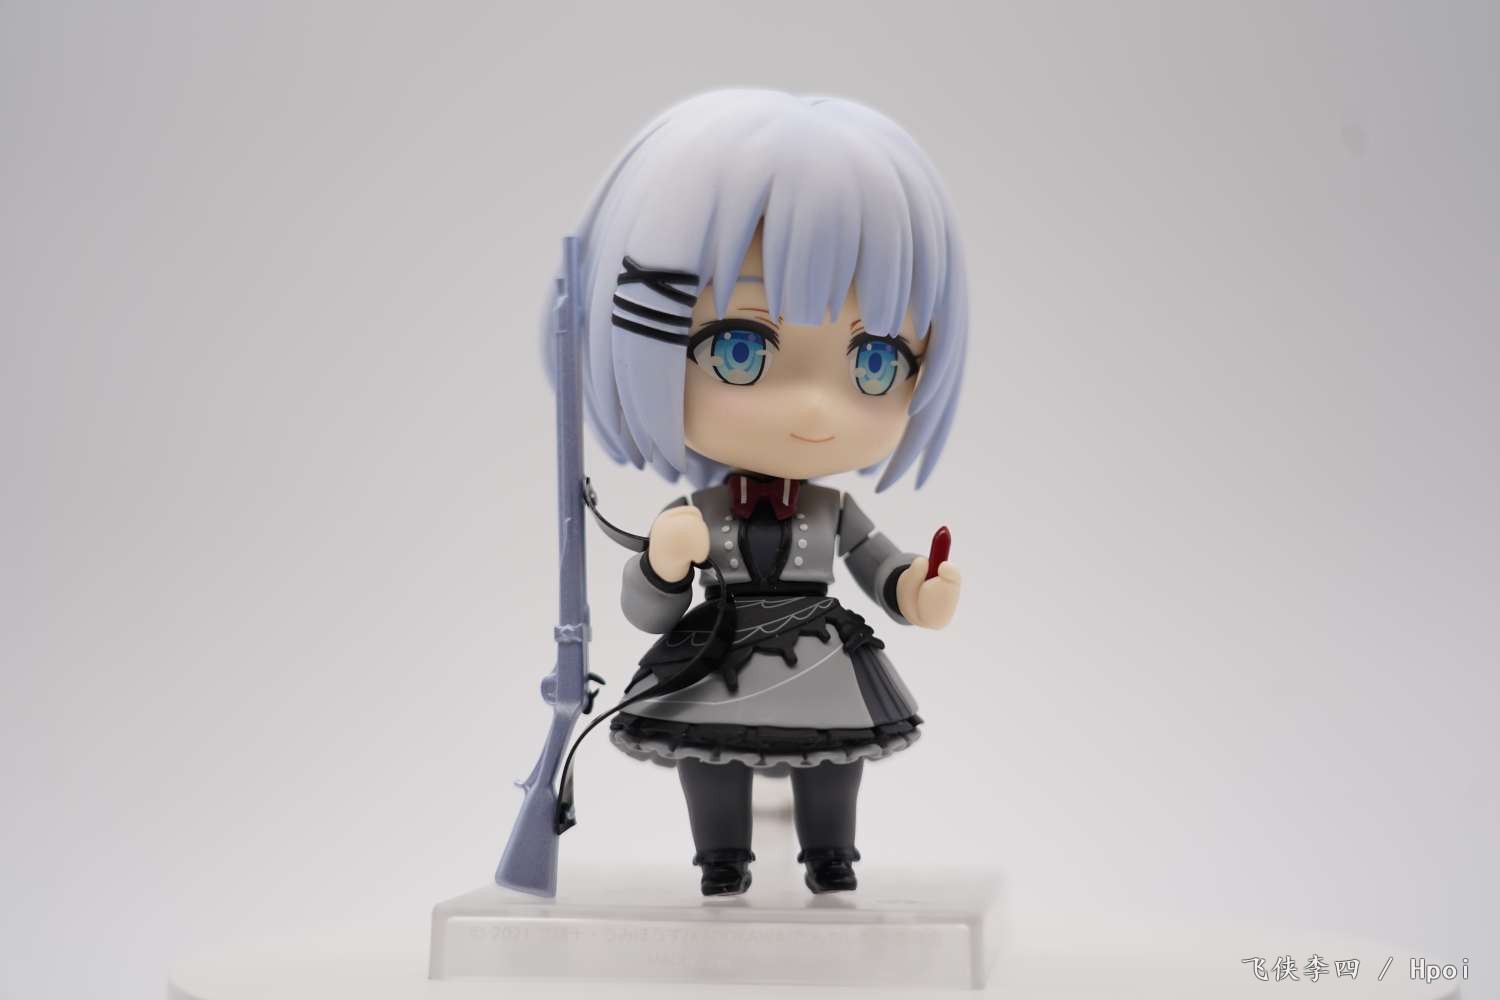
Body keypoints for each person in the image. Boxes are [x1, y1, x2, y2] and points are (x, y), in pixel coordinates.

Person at [558, 89, 968, 895]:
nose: (814, 410)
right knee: (710, 761)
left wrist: (917, 589)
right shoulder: (700, 513)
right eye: (738, 348)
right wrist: (666, 564)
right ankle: (721, 859)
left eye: (876, 362)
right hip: (719, 650)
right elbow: (650, 611)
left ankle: (830, 853)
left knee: (834, 759)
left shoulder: (833, 512)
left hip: (817, 653)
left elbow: (877, 564)